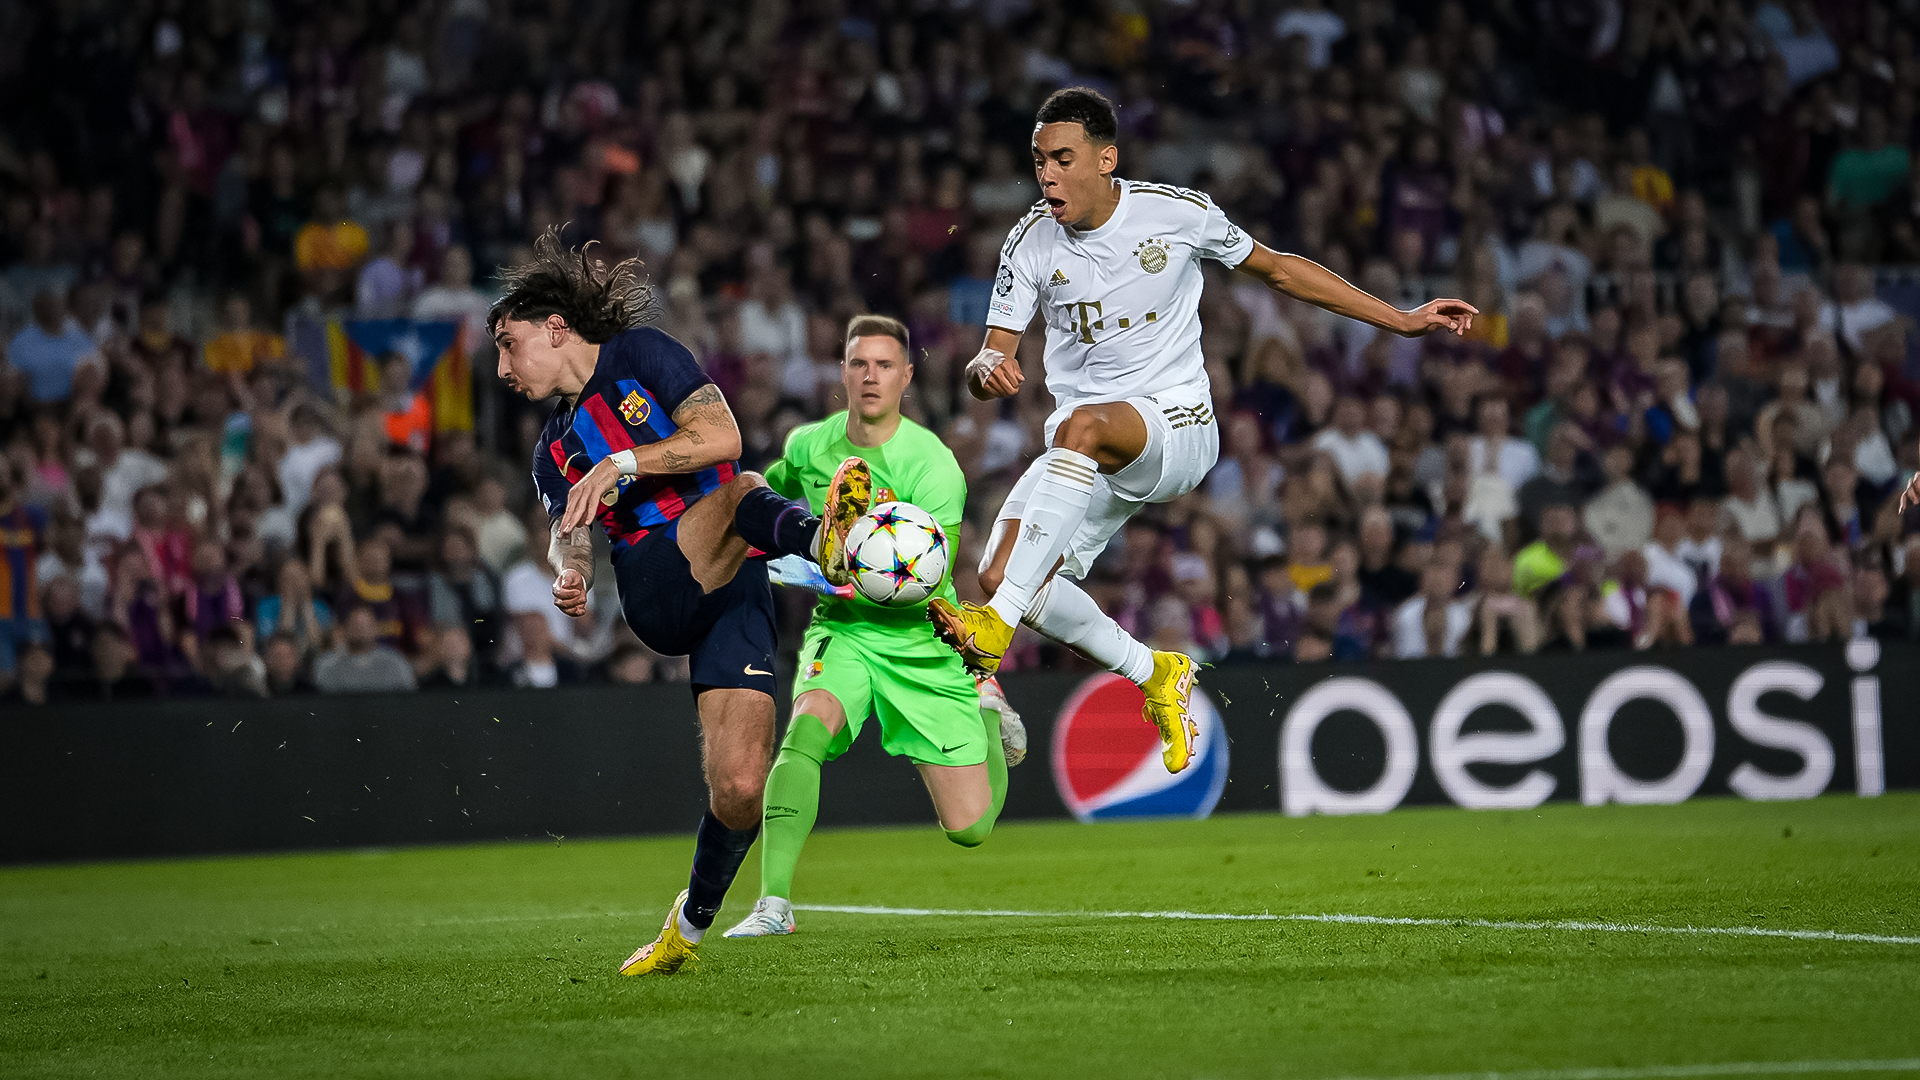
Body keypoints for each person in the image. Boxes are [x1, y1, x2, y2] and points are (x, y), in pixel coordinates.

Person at [930, 87, 1474, 772]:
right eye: (1039, 159)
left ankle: (994, 626)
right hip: (1089, 454)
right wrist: (986, 369)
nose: (1047, 174)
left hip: (1177, 426)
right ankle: (1154, 672)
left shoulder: (1176, 214)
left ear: (1106, 160)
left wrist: (1399, 318)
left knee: (1078, 429)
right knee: (1006, 570)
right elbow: (993, 354)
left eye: (1062, 158)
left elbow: (1278, 269)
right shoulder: (1031, 242)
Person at [492, 227, 869, 978]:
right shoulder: (551, 450)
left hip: (734, 578)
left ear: (555, 328)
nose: (502, 365)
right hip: (657, 580)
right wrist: (567, 568)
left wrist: (625, 461)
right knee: (747, 490)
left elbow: (721, 433)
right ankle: (825, 544)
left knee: (740, 788)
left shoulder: (644, 356)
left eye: (509, 343)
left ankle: (684, 933)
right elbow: (565, 533)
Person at [722, 315, 1021, 940]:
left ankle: (988, 703)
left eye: (885, 365)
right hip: (847, 631)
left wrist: (823, 571)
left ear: (907, 377)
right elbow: (762, 503)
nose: (871, 376)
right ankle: (772, 905)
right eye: (860, 363)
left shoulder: (934, 467)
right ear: (843, 373)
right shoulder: (809, 447)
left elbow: (921, 581)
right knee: (805, 731)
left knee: (970, 828)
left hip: (919, 637)